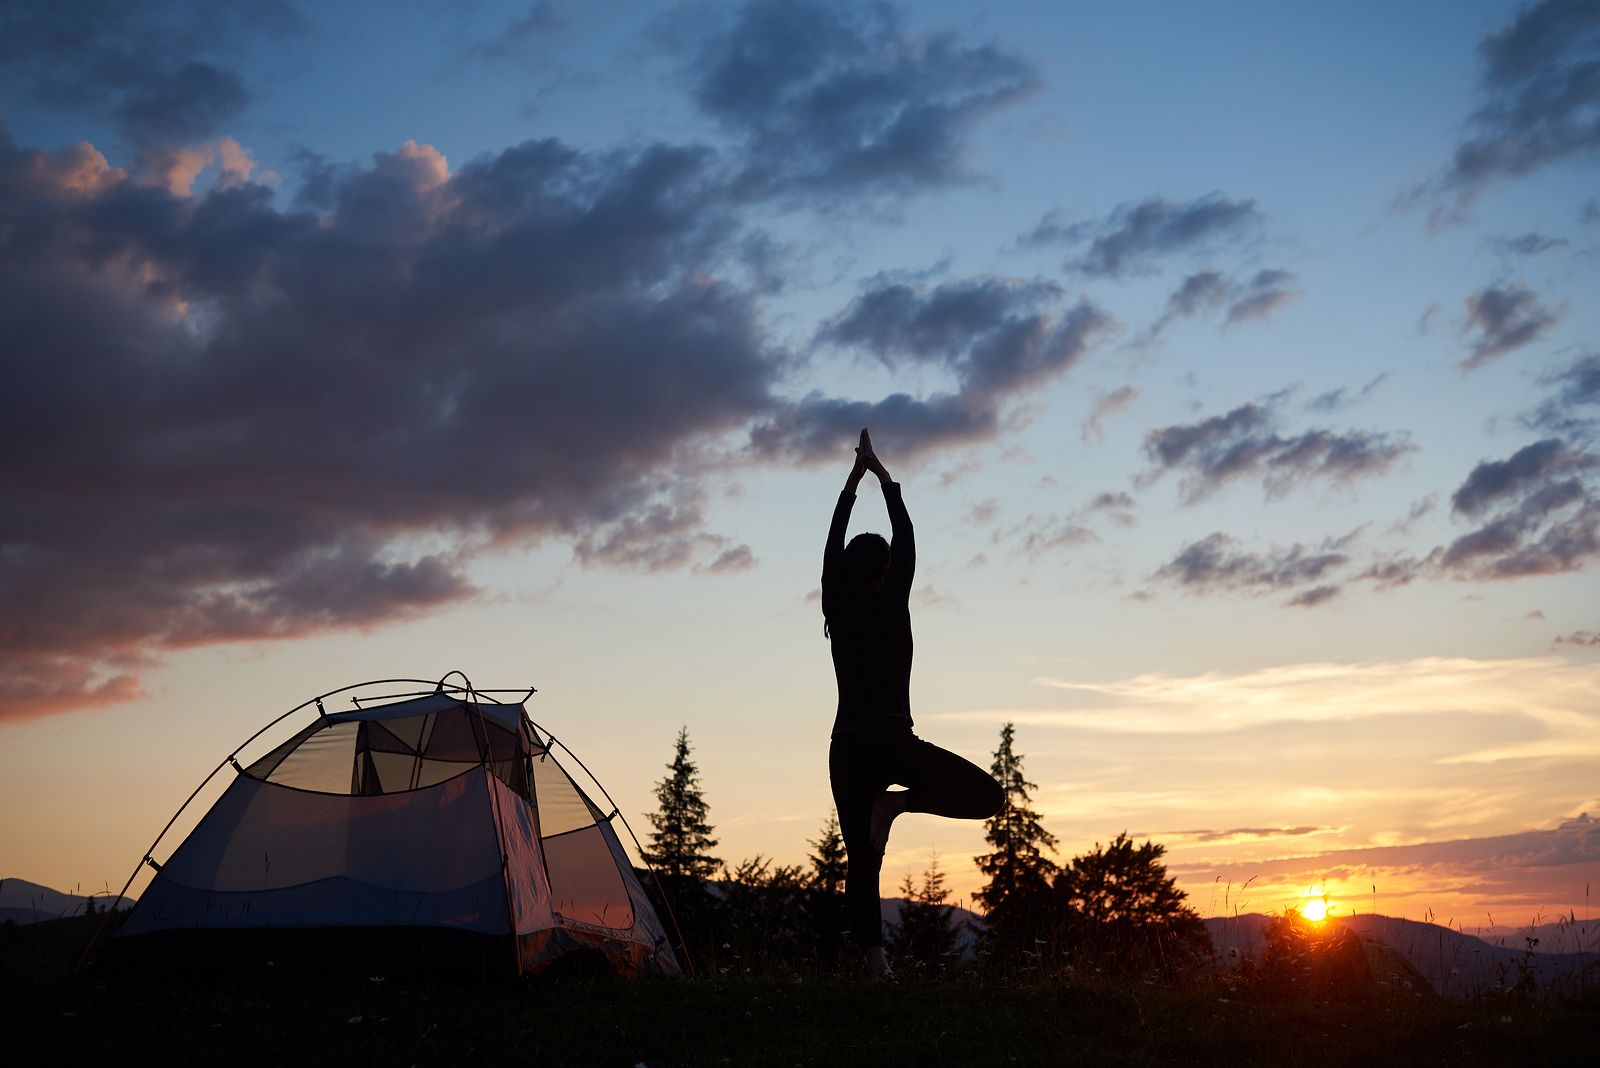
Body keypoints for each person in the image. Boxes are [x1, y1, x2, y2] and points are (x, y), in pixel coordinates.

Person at [822, 427, 1003, 978]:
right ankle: (898, 805)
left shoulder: (837, 603)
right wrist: (881, 478)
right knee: (988, 795)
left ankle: (878, 970)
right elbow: (906, 537)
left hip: (847, 747)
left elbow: (832, 544)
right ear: (884, 572)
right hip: (890, 740)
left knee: (863, 860)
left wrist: (852, 485)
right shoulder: (892, 601)